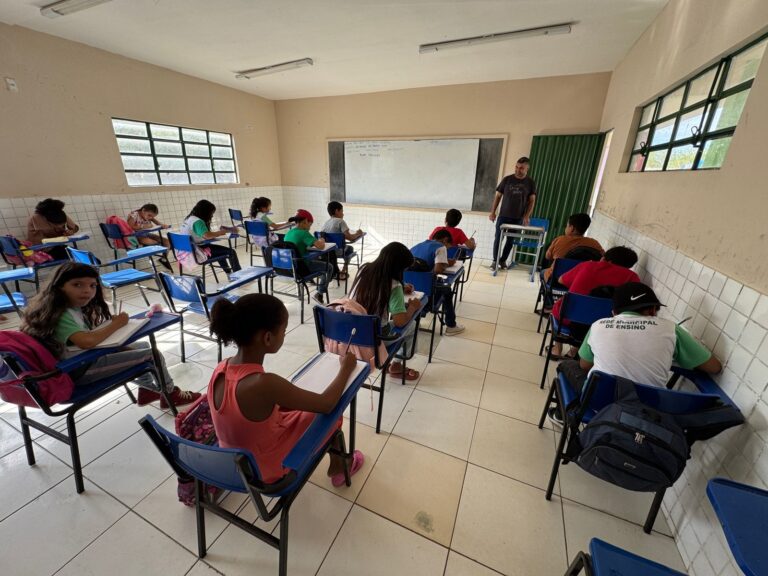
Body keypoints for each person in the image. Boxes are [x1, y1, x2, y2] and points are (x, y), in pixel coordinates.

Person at [207, 293, 364, 487]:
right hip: (264, 471)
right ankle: (339, 467)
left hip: (233, 462)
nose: (284, 335)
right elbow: (327, 404)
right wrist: (346, 368)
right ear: (267, 338)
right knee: (332, 416)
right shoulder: (264, 384)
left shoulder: (221, 368)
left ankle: (337, 464)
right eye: (284, 330)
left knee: (296, 408)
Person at [20, 262, 200, 408]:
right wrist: (115, 325)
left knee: (143, 346)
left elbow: (83, 339)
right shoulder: (62, 314)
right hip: (79, 370)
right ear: (59, 287)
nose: (87, 291)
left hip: (82, 360)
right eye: (77, 285)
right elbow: (87, 342)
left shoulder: (68, 308)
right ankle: (171, 394)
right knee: (153, 355)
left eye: (92, 286)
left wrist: (108, 329)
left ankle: (148, 390)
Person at [548, 282, 722, 426]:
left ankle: (563, 415)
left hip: (599, 404)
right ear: (653, 311)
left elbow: (585, 365)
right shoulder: (671, 329)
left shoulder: (599, 325)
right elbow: (714, 367)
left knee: (567, 365)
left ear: (614, 313)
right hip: (648, 412)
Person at [548, 246, 640, 360]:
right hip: (605, 326)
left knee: (562, 306)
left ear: (608, 260)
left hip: (569, 318)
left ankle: (557, 349)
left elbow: (561, 280)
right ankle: (574, 351)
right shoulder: (632, 277)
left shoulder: (588, 265)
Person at [349, 242, 423, 380]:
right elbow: (400, 322)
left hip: (350, 332)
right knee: (412, 325)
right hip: (374, 337)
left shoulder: (364, 269)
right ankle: (396, 365)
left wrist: (401, 286)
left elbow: (375, 285)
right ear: (398, 268)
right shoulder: (394, 285)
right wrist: (412, 307)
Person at [410, 229, 465, 336]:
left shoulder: (417, 246)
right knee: (447, 290)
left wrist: (444, 261)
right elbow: (438, 270)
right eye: (448, 248)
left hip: (411, 293)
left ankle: (415, 320)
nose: (447, 250)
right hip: (428, 297)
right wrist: (446, 263)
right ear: (445, 240)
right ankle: (451, 326)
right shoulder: (441, 247)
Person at [488, 157, 536, 271]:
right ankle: (495, 261)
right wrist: (493, 212)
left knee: (510, 240)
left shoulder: (530, 182)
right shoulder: (507, 179)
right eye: (516, 167)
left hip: (518, 218)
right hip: (503, 216)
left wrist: (526, 216)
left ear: (527, 169)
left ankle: (503, 260)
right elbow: (498, 196)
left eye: (521, 168)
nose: (518, 170)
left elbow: (532, 201)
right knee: (498, 238)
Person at [283, 209, 334, 303]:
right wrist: (321, 240)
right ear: (305, 221)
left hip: (287, 268)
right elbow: (321, 246)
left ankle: (311, 282)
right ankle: (319, 293)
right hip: (301, 268)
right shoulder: (304, 233)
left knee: (315, 259)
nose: (310, 228)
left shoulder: (289, 232)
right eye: (310, 225)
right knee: (329, 267)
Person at [180, 199, 241, 274]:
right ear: (205, 212)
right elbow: (207, 236)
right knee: (231, 252)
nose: (211, 216)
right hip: (197, 253)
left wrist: (217, 233)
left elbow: (203, 235)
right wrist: (222, 232)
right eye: (211, 213)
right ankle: (239, 275)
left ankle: (229, 273)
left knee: (220, 251)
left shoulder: (189, 219)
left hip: (187, 252)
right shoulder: (197, 222)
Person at [542, 213, 604, 281]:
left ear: (572, 228)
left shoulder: (559, 240)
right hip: (583, 280)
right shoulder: (595, 244)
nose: (566, 228)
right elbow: (603, 259)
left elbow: (547, 256)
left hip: (557, 279)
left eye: (567, 226)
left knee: (543, 272)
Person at [321, 201, 363, 281]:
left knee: (345, 247)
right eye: (342, 211)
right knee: (350, 248)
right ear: (337, 211)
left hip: (327, 252)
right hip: (338, 251)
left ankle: (338, 271)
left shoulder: (326, 223)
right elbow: (350, 238)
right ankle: (343, 271)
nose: (343, 214)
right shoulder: (340, 221)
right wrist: (358, 234)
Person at [127, 203, 173, 270]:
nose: (150, 218)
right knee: (154, 243)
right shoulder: (134, 215)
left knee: (167, 242)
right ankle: (155, 250)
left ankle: (163, 259)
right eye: (149, 215)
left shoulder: (148, 216)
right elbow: (129, 227)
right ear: (143, 210)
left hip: (146, 234)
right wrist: (143, 226)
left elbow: (157, 222)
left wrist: (162, 225)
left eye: (152, 216)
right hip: (136, 236)